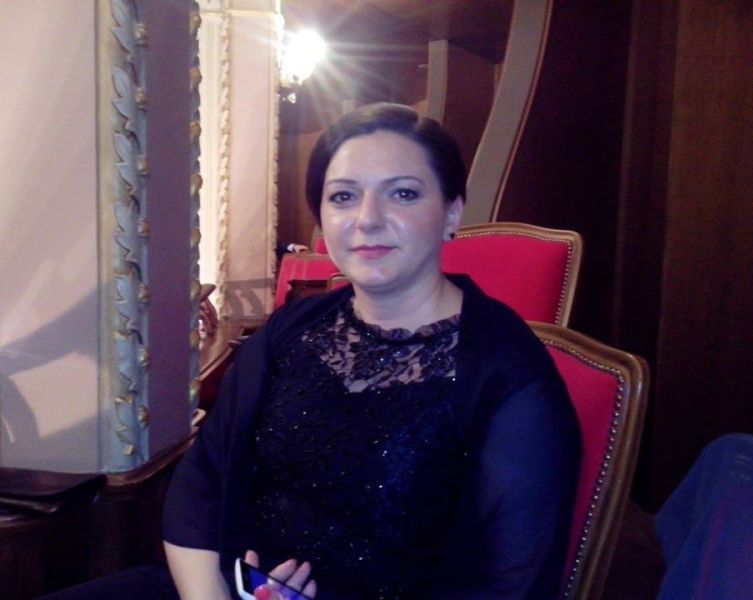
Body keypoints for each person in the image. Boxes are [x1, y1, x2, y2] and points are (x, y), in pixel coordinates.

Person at [40, 103, 577, 600]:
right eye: (343, 196)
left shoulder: (508, 374)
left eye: (403, 194)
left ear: (452, 212)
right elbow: (203, 481)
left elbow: (512, 583)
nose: (367, 218)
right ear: (321, 219)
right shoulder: (292, 331)